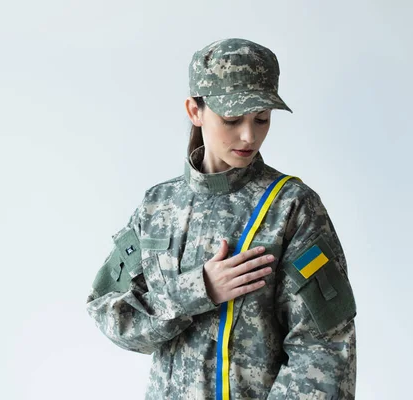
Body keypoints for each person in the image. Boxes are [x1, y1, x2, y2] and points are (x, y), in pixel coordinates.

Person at [85, 38, 357, 400]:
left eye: (261, 118)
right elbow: (109, 313)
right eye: (232, 119)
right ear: (195, 111)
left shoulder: (292, 208)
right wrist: (199, 290)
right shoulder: (157, 206)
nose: (249, 135)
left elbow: (325, 351)